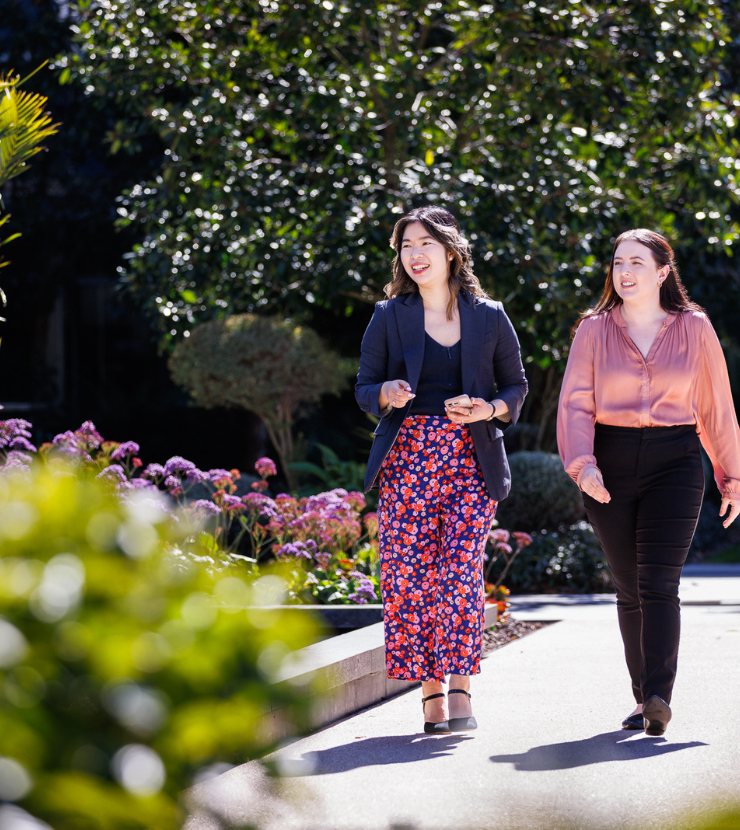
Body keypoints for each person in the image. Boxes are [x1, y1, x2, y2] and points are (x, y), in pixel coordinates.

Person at [557, 228, 740, 736]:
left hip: (676, 460)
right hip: (609, 462)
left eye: (636, 262)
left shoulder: (694, 328)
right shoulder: (593, 330)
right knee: (629, 587)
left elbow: (716, 407)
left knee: (659, 583)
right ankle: (643, 697)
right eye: (618, 263)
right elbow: (575, 403)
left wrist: (732, 477)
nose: (625, 272)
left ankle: (659, 696)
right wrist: (583, 465)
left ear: (662, 272)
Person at [355, 205, 528, 734]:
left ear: (450, 251)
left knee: (458, 573)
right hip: (407, 459)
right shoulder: (389, 315)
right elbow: (364, 387)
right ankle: (430, 694)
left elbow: (515, 387)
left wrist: (488, 408)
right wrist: (386, 393)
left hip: (471, 460)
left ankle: (460, 688)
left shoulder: (489, 315)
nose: (414, 254)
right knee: (410, 577)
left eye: (425, 244)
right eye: (406, 246)